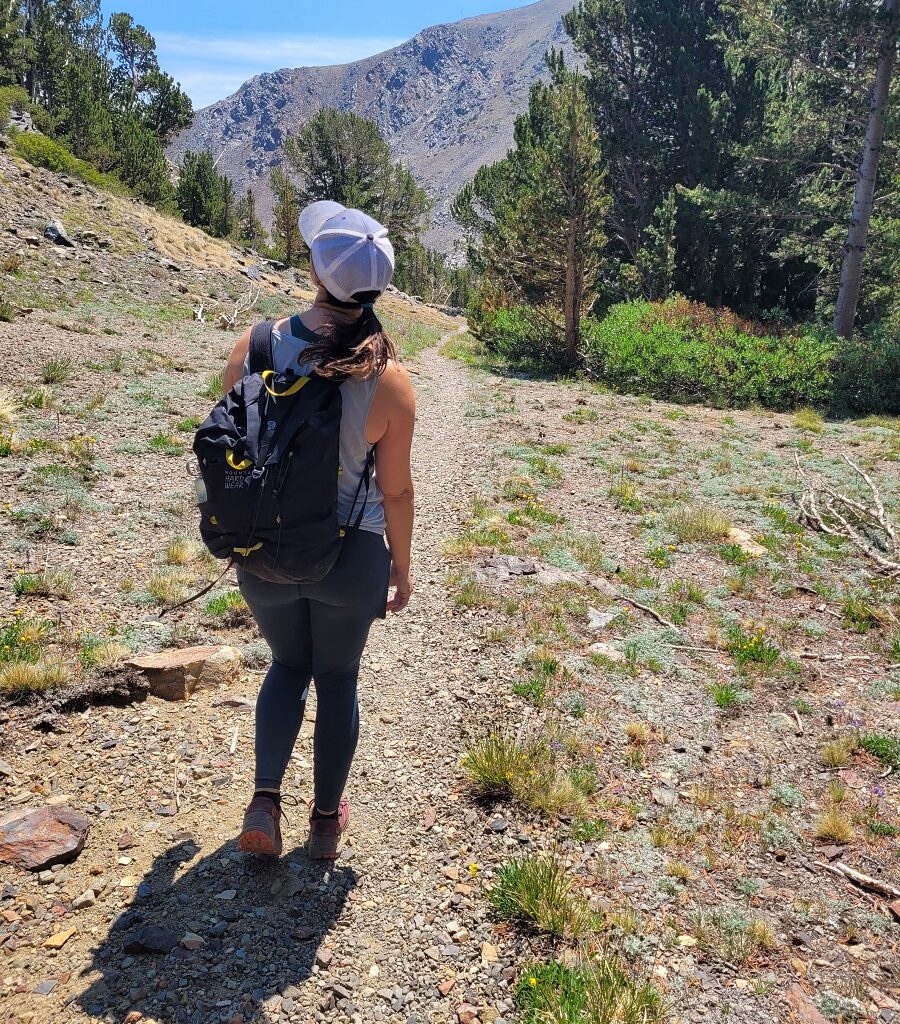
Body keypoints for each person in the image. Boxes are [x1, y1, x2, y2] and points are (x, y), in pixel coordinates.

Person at [221, 201, 416, 859]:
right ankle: (327, 822)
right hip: (349, 559)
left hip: (266, 552)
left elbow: (228, 446)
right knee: (336, 680)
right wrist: (402, 565)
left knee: (285, 665)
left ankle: (264, 802)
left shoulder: (256, 347)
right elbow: (396, 490)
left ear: (314, 270)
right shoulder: (389, 379)